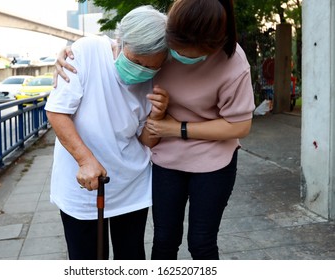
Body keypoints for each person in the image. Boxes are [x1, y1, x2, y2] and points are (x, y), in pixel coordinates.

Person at [54, 0, 255, 260]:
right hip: (161, 161)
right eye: (177, 48)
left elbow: (239, 124)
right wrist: (69, 54)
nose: (184, 56)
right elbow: (61, 107)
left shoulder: (223, 61)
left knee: (199, 242)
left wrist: (172, 125)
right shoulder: (153, 49)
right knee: (161, 240)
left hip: (197, 163)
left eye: (152, 67)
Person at [44, 5, 169, 260]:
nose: (141, 71)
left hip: (131, 185)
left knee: (131, 257)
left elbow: (145, 140)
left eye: (150, 67)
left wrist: (157, 115)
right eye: (136, 61)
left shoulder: (156, 77)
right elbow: (57, 112)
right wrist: (85, 159)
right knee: (88, 260)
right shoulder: (86, 51)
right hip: (83, 186)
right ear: (120, 41)